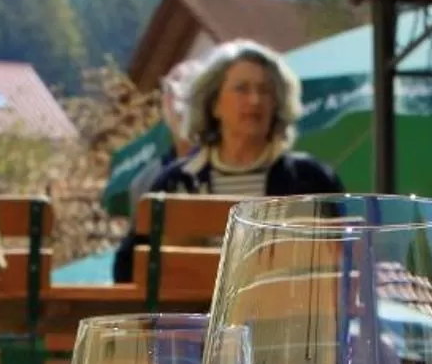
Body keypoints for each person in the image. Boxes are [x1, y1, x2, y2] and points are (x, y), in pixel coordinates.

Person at [115, 40, 342, 278]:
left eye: (265, 90)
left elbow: (345, 263)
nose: (255, 100)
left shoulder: (311, 180)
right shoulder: (176, 184)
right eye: (242, 89)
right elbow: (126, 270)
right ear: (214, 104)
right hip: (201, 314)